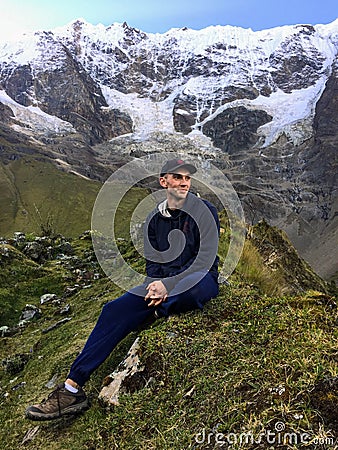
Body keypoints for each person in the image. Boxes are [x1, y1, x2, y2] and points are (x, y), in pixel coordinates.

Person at [25, 158, 220, 421]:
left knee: (194, 292)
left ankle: (152, 313)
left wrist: (168, 285)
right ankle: (72, 388)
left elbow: (205, 258)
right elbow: (154, 262)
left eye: (187, 178)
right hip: (162, 285)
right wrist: (154, 286)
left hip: (198, 278)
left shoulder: (205, 211)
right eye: (177, 178)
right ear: (164, 182)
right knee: (114, 309)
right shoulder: (154, 219)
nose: (184, 183)